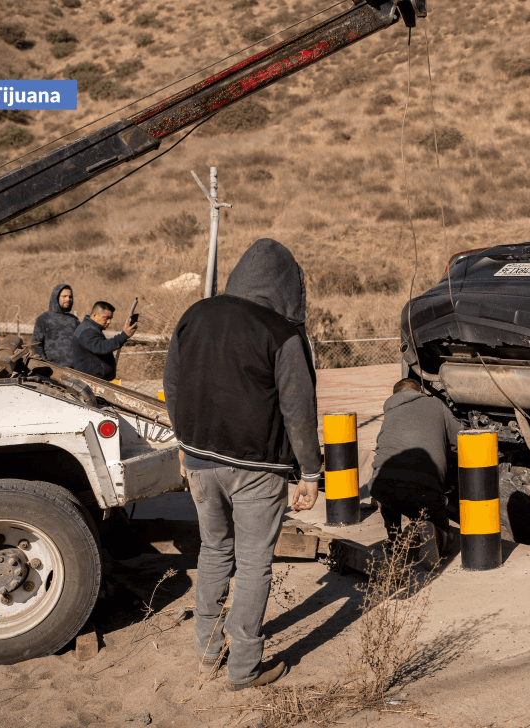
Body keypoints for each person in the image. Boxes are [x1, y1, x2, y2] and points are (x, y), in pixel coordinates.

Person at [162, 238, 320, 692]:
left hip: (199, 460)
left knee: (213, 552)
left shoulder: (196, 314)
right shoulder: (283, 333)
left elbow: (172, 383)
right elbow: (298, 409)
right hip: (258, 468)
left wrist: (184, 440)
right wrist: (309, 471)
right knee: (253, 564)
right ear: (288, 284)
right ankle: (244, 668)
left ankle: (208, 653)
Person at [368, 378, 462, 563]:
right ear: (419, 392)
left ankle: (394, 540)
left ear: (396, 396)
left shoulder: (390, 411)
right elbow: (461, 440)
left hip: (381, 486)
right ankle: (436, 532)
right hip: (423, 488)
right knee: (446, 534)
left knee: (389, 481)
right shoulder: (435, 403)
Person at [70, 301, 136, 381]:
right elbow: (101, 347)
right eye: (106, 318)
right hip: (90, 382)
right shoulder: (86, 331)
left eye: (110, 319)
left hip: (93, 380)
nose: (109, 322)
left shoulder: (90, 328)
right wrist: (123, 336)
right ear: (94, 315)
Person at [32, 283, 79, 367]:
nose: (68, 299)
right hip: (51, 371)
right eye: (64, 296)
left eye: (70, 297)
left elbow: (81, 344)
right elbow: (36, 346)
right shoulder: (43, 319)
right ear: (56, 297)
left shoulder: (74, 320)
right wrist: (44, 366)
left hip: (73, 370)